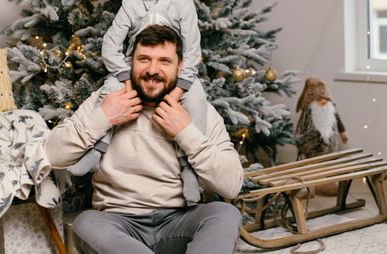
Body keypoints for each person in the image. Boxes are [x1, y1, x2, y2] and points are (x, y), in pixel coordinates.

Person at [45, 25, 244, 254]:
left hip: (179, 220)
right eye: (144, 59)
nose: (152, 69)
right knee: (85, 222)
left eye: (164, 61)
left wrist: (186, 132)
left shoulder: (198, 111)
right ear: (131, 63)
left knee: (225, 213)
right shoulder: (107, 100)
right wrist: (104, 117)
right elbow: (51, 154)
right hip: (118, 223)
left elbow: (232, 186)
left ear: (180, 68)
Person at [67, 0, 207, 206]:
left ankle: (189, 167)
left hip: (175, 77)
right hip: (135, 75)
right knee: (109, 92)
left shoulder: (182, 4)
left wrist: (179, 90)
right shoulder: (131, 6)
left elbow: (192, 50)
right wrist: (124, 77)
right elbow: (110, 44)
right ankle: (98, 148)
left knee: (198, 99)